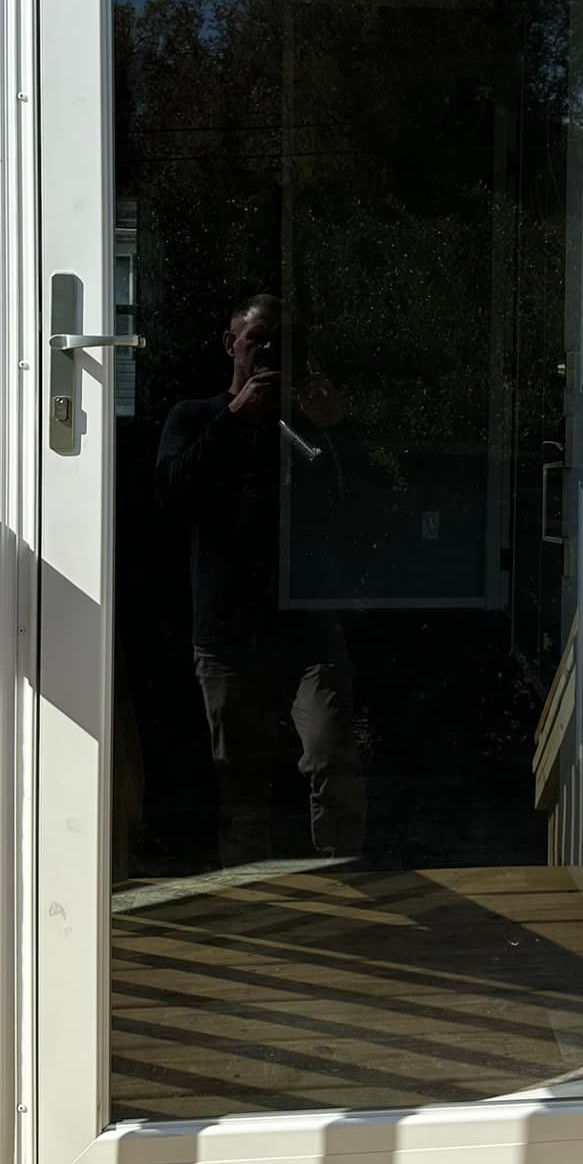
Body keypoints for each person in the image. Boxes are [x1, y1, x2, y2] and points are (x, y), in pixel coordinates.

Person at [156, 293, 365, 866]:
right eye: (258, 339)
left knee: (332, 755)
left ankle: (346, 875)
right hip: (227, 630)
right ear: (231, 344)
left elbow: (361, 506)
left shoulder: (306, 424)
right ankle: (249, 892)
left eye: (282, 342)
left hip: (306, 625)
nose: (269, 350)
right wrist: (234, 417)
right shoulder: (195, 416)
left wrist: (338, 430)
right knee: (240, 782)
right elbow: (169, 493)